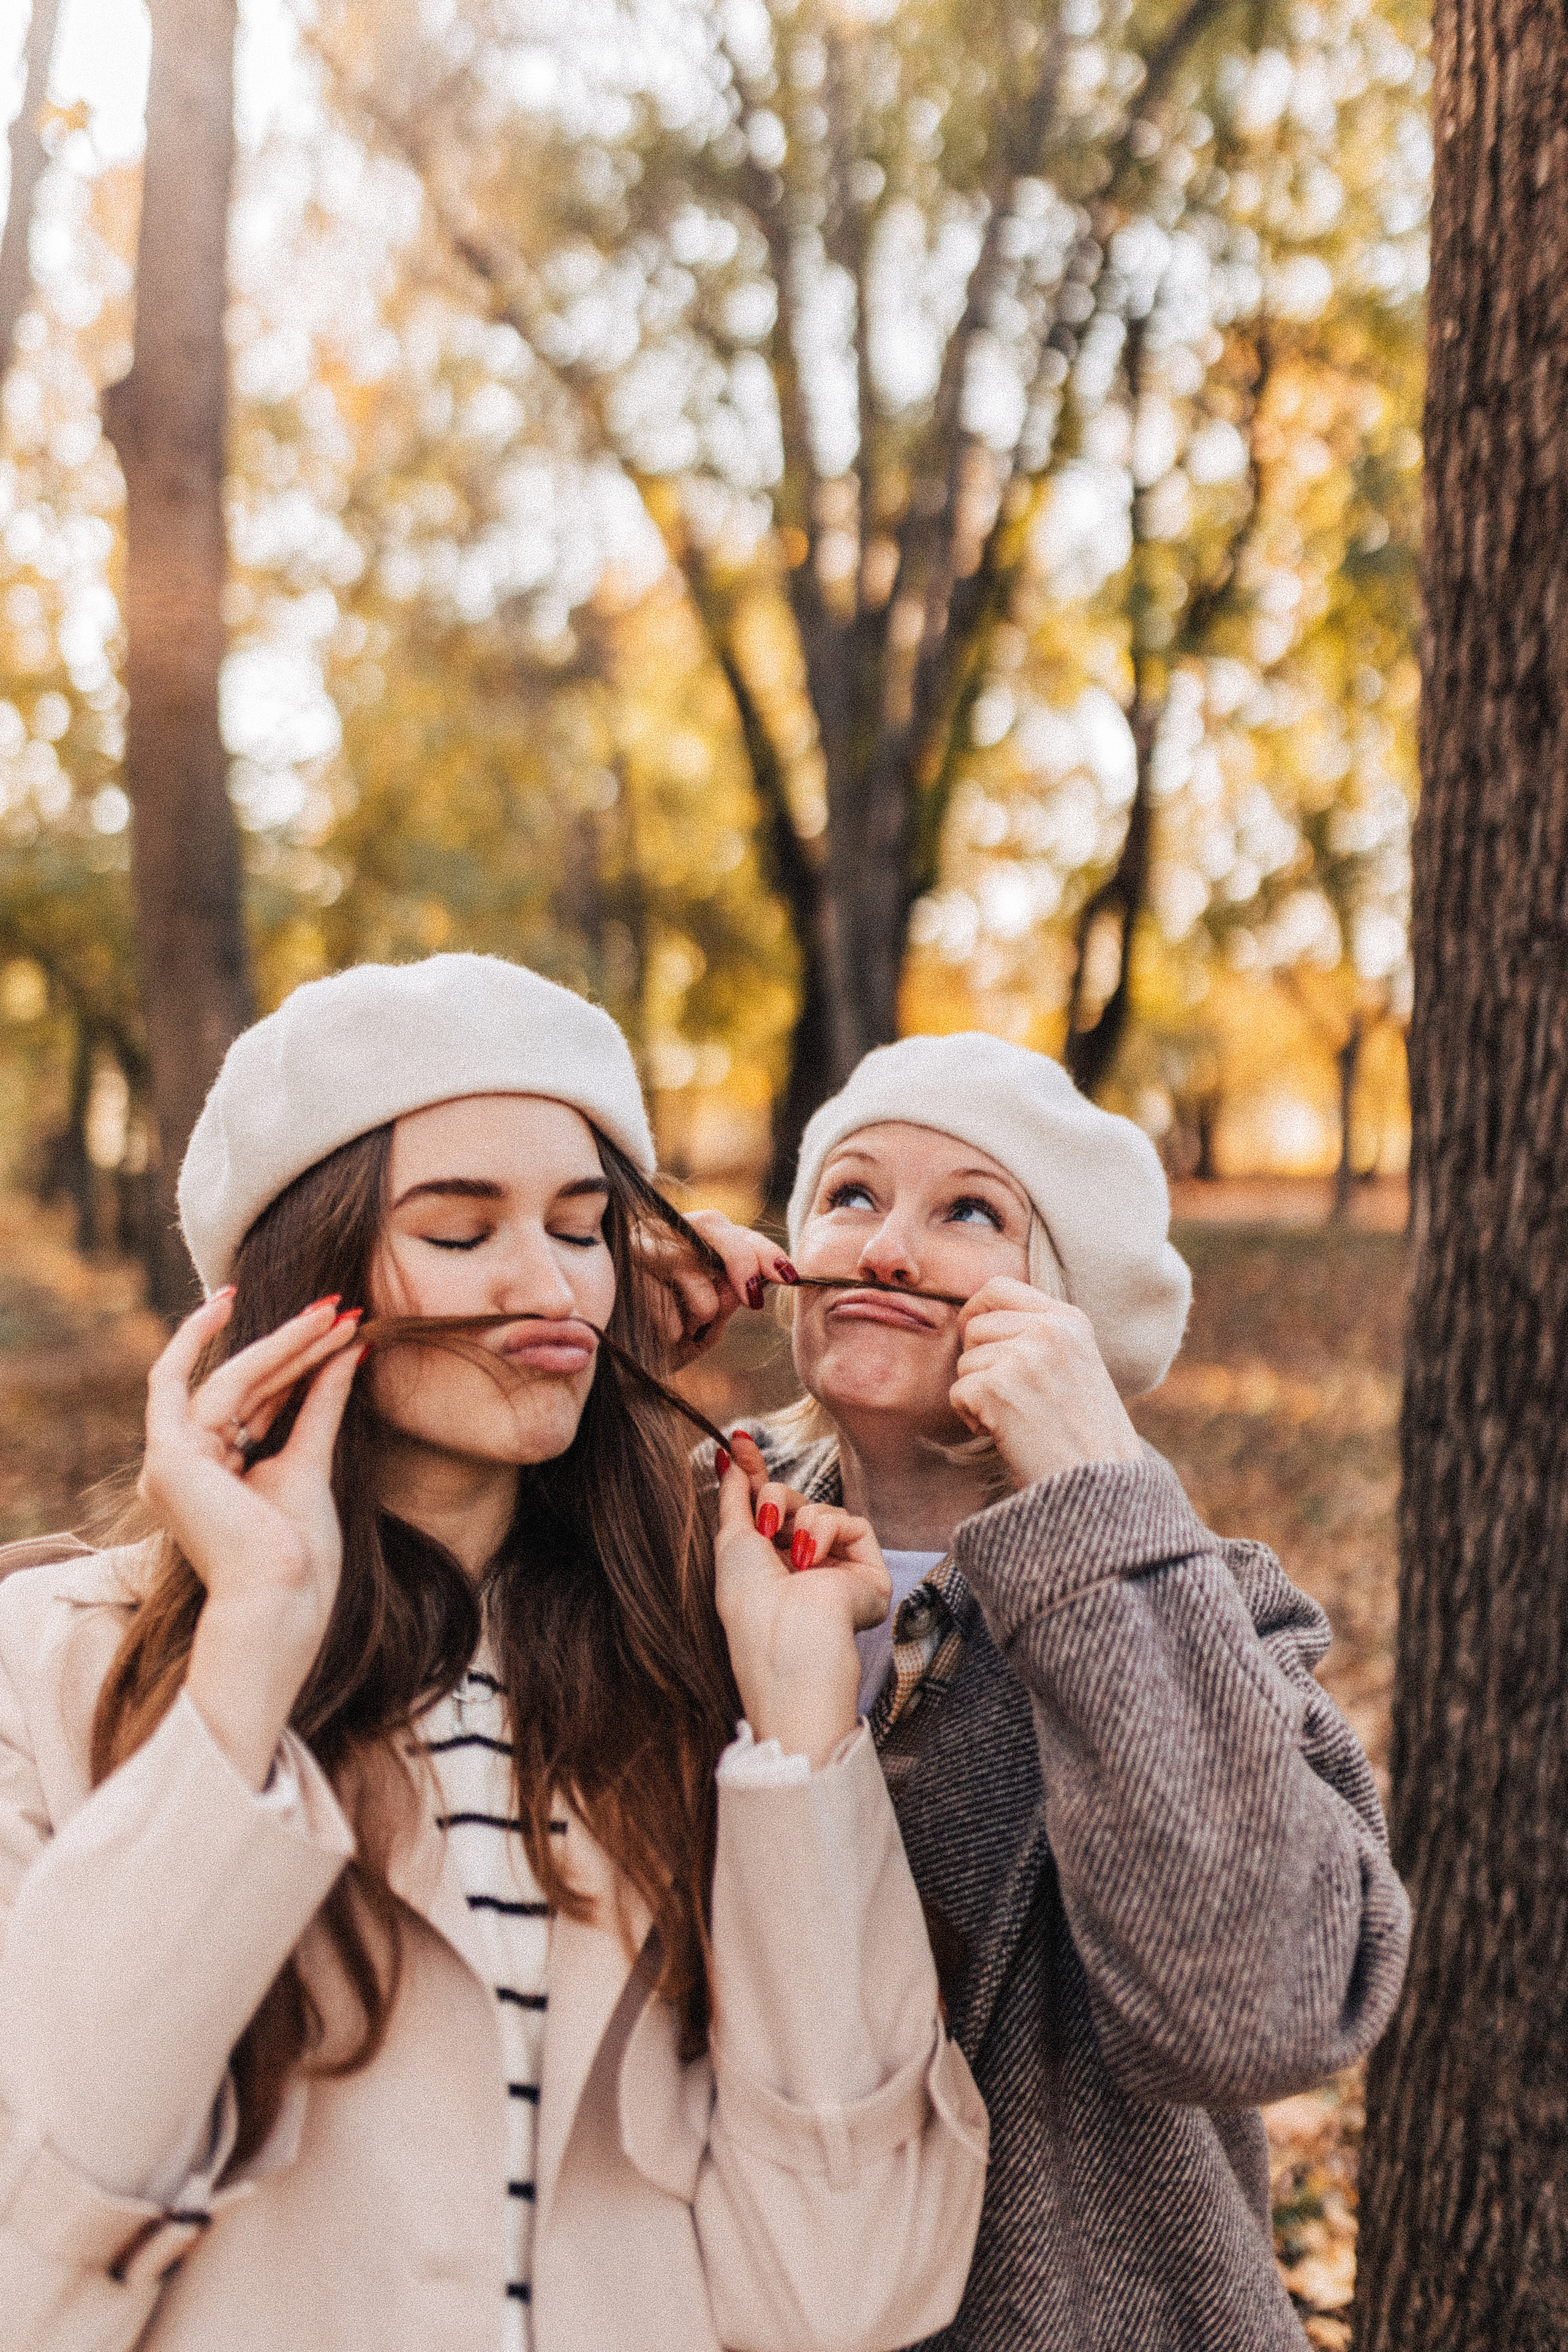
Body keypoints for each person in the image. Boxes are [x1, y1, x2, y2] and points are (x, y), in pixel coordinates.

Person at [0, 956, 987, 2352]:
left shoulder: (697, 1669)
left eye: (583, 1229)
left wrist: (797, 1749)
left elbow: (846, 2291)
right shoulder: (47, 1669)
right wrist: (250, 1655)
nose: (546, 1286)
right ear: (305, 1277)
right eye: (459, 1234)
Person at [727, 1030, 1410, 2352]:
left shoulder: (1203, 1604)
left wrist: (1095, 1497)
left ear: (1065, 1312)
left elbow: (1258, 2015)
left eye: (966, 1211)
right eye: (849, 1193)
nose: (882, 1250)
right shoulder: (691, 1548)